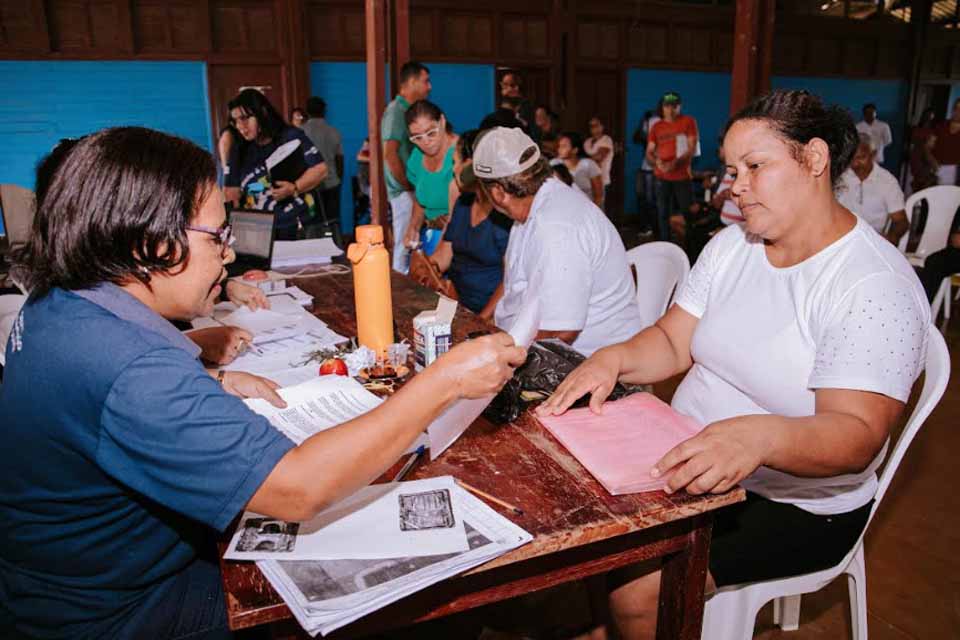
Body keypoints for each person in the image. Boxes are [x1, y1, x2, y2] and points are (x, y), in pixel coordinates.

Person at [0, 127, 526, 639]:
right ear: (149, 244)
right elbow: (299, 489)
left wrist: (211, 374)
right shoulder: (132, 369)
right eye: (217, 237)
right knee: (415, 605)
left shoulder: (63, 304)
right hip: (127, 612)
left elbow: (102, 403)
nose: (228, 255)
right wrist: (443, 381)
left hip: (64, 579)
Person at [539, 89, 930, 640]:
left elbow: (856, 436)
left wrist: (759, 440)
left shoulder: (872, 286)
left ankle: (629, 621)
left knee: (637, 590)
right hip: (695, 451)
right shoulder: (733, 246)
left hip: (794, 501)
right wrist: (614, 357)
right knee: (576, 511)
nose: (735, 186)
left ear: (814, 160)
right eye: (731, 170)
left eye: (754, 167)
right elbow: (673, 343)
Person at [473, 127, 643, 356]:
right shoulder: (531, 208)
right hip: (540, 344)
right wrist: (479, 323)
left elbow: (561, 333)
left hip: (589, 363)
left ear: (497, 193)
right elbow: (514, 282)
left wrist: (499, 356)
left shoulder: (555, 227)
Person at [224, 89, 328, 240]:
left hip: (300, 227)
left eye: (245, 118)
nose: (240, 126)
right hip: (259, 232)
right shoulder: (238, 150)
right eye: (235, 121)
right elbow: (230, 193)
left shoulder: (290, 136)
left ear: (263, 112)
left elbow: (321, 169)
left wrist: (295, 187)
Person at [430, 130, 511, 317]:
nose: (453, 169)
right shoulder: (463, 203)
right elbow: (443, 256)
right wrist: (422, 272)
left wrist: (480, 322)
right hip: (456, 304)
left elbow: (511, 282)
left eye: (455, 162)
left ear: (470, 164)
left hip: (490, 313)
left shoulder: (503, 215)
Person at [382, 61, 432, 272]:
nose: (429, 87)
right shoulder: (396, 111)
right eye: (425, 81)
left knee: (412, 241)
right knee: (405, 243)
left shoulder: (408, 110)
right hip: (404, 191)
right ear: (411, 82)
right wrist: (407, 185)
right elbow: (390, 153)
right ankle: (399, 293)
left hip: (411, 188)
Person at [403, 100, 458, 256]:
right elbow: (421, 200)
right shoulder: (416, 158)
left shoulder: (461, 155)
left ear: (442, 121)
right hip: (431, 236)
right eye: (417, 138)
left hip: (459, 243)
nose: (426, 142)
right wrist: (413, 227)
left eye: (431, 133)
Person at [836, 132, 908, 244]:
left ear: (873, 154)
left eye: (861, 158)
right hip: (842, 237)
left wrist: (889, 240)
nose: (855, 164)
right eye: (852, 159)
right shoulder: (842, 177)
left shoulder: (887, 181)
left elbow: (901, 221)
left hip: (872, 240)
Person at [647, 91, 698, 242]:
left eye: (674, 106)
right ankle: (665, 245)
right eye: (667, 106)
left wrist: (674, 163)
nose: (671, 109)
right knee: (662, 213)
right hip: (661, 177)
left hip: (682, 176)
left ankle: (691, 248)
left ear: (679, 107)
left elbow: (691, 148)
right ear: (662, 107)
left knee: (687, 213)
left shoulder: (688, 122)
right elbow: (649, 151)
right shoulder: (656, 126)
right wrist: (656, 161)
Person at [301, 96, 344, 239]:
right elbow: (339, 159)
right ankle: (336, 249)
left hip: (308, 186)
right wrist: (338, 179)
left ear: (306, 112)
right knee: (333, 220)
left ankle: (312, 251)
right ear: (324, 111)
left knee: (311, 222)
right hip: (331, 183)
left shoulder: (300, 133)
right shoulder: (333, 131)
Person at [550, 132, 603, 207]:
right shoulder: (553, 164)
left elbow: (599, 196)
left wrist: (592, 212)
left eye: (564, 146)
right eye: (559, 146)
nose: (559, 149)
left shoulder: (589, 165)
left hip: (586, 208)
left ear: (575, 150)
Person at [584, 116, 615, 210]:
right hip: (587, 180)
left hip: (601, 180)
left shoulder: (606, 140)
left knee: (599, 208)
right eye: (591, 126)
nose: (593, 128)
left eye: (596, 125)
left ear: (602, 127)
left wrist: (584, 160)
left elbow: (599, 157)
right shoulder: (587, 142)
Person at [930, 98, 960, 186]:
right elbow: (928, 147)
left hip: (957, 173)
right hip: (937, 169)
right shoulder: (941, 126)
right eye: (956, 108)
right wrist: (932, 160)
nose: (957, 112)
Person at [909, 107, 938, 194]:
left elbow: (933, 145)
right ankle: (915, 198)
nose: (929, 118)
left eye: (931, 116)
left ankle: (922, 199)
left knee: (925, 178)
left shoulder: (934, 130)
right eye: (927, 116)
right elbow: (912, 141)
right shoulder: (916, 129)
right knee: (917, 177)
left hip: (927, 156)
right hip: (916, 155)